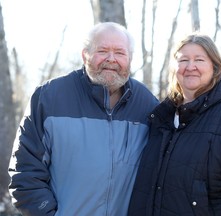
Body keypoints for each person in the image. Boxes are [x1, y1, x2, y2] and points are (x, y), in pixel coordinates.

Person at [8, 22, 159, 216]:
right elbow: (25, 172)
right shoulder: (50, 97)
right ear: (84, 55)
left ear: (130, 59)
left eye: (120, 53)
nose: (111, 59)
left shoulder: (148, 105)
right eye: (102, 50)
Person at [128, 33, 221, 215]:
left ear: (215, 67)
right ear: (174, 68)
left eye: (199, 60)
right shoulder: (161, 120)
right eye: (183, 60)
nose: (190, 66)